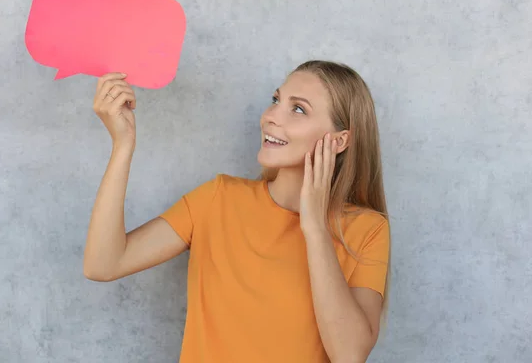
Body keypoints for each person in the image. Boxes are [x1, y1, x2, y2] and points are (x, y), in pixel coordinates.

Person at [83, 60, 391, 363]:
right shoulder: (219, 199)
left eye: (298, 109)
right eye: (276, 100)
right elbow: (103, 264)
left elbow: (350, 355)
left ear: (339, 141)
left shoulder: (367, 230)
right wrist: (123, 145)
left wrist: (315, 229)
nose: (271, 116)